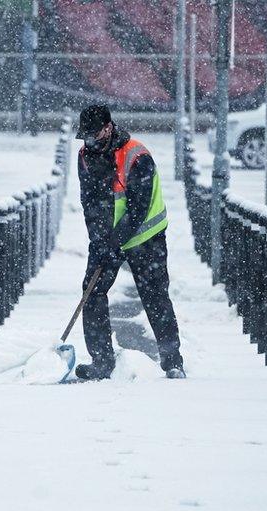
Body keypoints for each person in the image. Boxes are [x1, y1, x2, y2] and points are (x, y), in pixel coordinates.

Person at [74, 105, 185, 380]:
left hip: (146, 236)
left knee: (155, 296)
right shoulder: (85, 157)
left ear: (108, 127)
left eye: (94, 135)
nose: (89, 142)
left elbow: (139, 207)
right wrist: (99, 242)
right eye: (85, 137)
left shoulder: (137, 155)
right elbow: (90, 203)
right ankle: (101, 361)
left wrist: (116, 243)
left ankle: (173, 362)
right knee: (92, 291)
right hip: (107, 237)